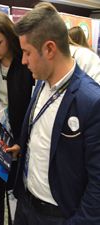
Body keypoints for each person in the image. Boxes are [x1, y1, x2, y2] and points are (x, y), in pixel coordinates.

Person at [13, 2, 100, 225]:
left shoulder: (91, 101)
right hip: (26, 206)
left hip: (59, 217)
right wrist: (24, 148)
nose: (23, 61)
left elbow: (98, 183)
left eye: (27, 53)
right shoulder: (41, 84)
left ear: (50, 49)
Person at [0, 11, 34, 225]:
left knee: (14, 196)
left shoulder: (25, 62)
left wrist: (22, 140)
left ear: (10, 38)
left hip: (19, 140)